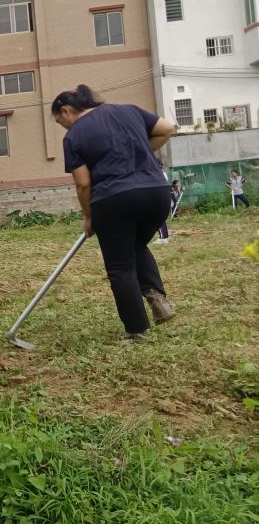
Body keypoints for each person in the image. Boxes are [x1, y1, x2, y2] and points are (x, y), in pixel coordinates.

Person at [52, 84, 178, 340]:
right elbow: (167, 129)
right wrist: (143, 151)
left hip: (114, 198)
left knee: (120, 266)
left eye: (60, 121)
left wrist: (89, 217)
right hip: (157, 194)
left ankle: (136, 329)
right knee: (134, 246)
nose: (63, 127)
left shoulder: (74, 135)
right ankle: (156, 296)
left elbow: (83, 183)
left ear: (67, 110)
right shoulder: (128, 110)